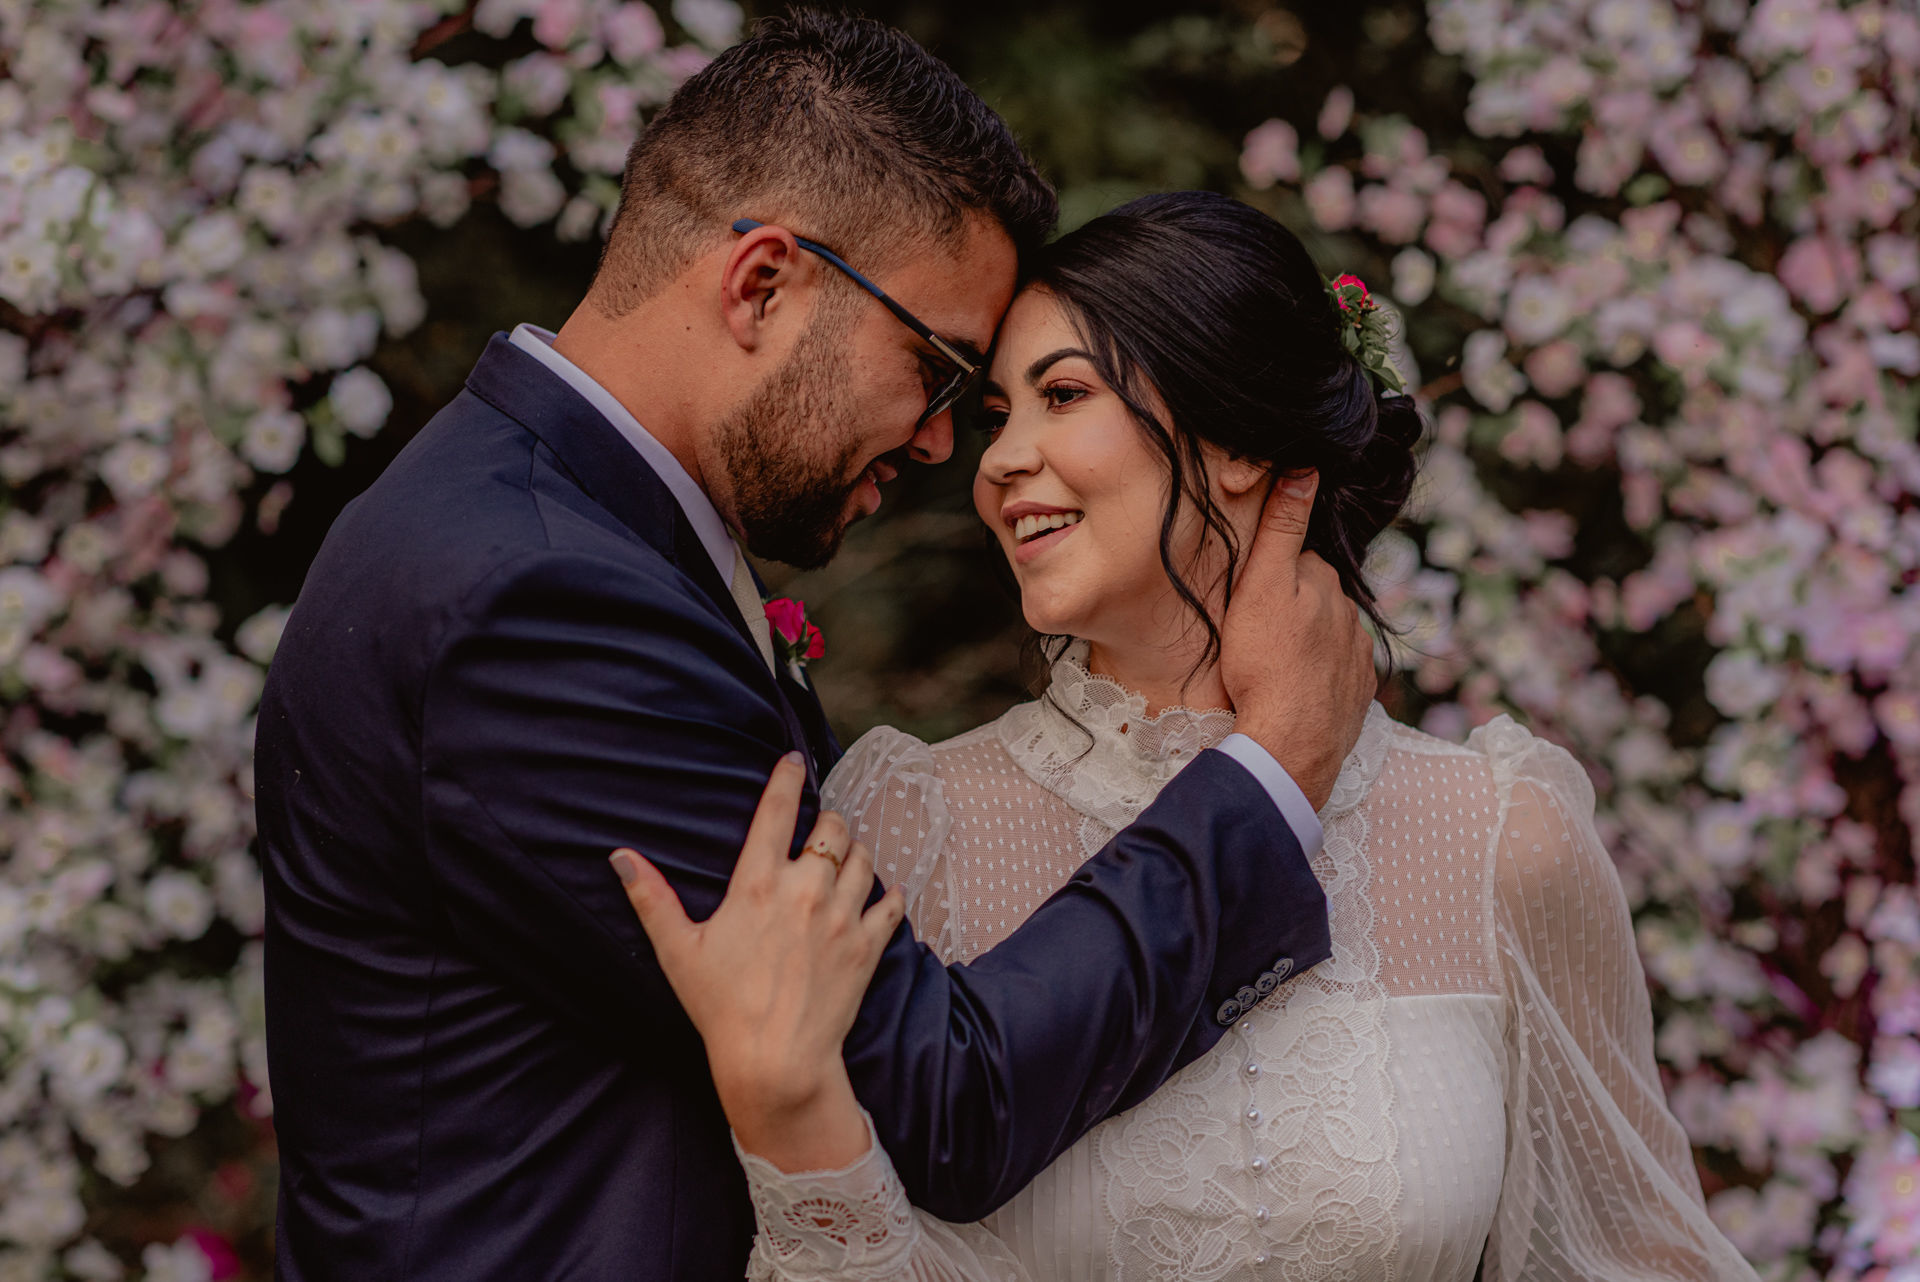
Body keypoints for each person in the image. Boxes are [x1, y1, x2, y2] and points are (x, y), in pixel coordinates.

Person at [253, 14, 1378, 1282]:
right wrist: (1276, 763)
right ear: (762, 284)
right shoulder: (540, 601)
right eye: (942, 367)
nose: (948, 446)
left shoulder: (546, 531)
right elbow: (944, 1100)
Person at [621, 191, 1764, 1281]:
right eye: (996, 415)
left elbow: (1631, 1250)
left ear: (1234, 440)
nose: (1000, 460)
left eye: (1061, 395)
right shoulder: (906, 827)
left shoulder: (1502, 840)